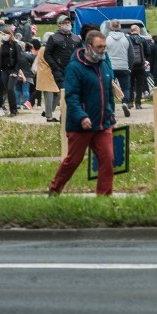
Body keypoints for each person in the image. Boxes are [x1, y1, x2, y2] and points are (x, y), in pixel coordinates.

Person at [48, 30, 117, 197]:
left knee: (108, 160)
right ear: (88, 47)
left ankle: (104, 197)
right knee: (73, 161)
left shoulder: (105, 67)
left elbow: (108, 94)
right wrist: (81, 116)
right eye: (99, 47)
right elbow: (71, 97)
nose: (102, 50)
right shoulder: (75, 68)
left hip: (102, 124)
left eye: (104, 47)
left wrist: (111, 116)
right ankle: (55, 190)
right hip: (80, 125)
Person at [45, 15, 82, 97]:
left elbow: (80, 53)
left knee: (74, 92)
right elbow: (47, 54)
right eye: (65, 23)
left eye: (68, 22)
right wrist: (55, 67)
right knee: (64, 92)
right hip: (59, 70)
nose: (67, 24)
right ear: (59, 25)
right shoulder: (53, 38)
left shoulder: (76, 38)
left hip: (73, 70)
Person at [0, 26, 23, 117]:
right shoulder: (2, 45)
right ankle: (11, 108)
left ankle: (14, 110)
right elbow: (0, 60)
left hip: (12, 70)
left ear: (10, 34)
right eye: (2, 34)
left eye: (5, 34)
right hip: (4, 70)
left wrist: (16, 71)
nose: (4, 36)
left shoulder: (15, 45)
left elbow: (19, 59)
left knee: (10, 88)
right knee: (7, 90)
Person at [105, 19, 134, 118]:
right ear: (120, 27)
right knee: (126, 87)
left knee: (110, 89)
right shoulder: (126, 38)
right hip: (123, 66)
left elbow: (104, 54)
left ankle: (112, 111)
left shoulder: (107, 39)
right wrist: (129, 66)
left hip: (110, 67)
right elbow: (131, 54)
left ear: (111, 27)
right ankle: (125, 102)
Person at [35, 32, 61, 122]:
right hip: (47, 75)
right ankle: (49, 116)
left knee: (57, 94)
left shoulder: (48, 49)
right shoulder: (44, 49)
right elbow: (49, 61)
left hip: (51, 75)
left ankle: (48, 112)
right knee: (49, 96)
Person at [129, 25, 151, 109]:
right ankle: (138, 103)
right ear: (138, 30)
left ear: (131, 31)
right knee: (139, 85)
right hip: (140, 66)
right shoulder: (142, 40)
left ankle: (130, 102)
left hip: (130, 66)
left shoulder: (127, 40)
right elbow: (148, 52)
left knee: (130, 84)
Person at [14, 42, 35, 110]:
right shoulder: (28, 56)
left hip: (17, 74)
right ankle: (26, 104)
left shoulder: (15, 55)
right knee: (26, 90)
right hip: (27, 75)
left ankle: (17, 104)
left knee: (17, 90)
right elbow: (32, 64)